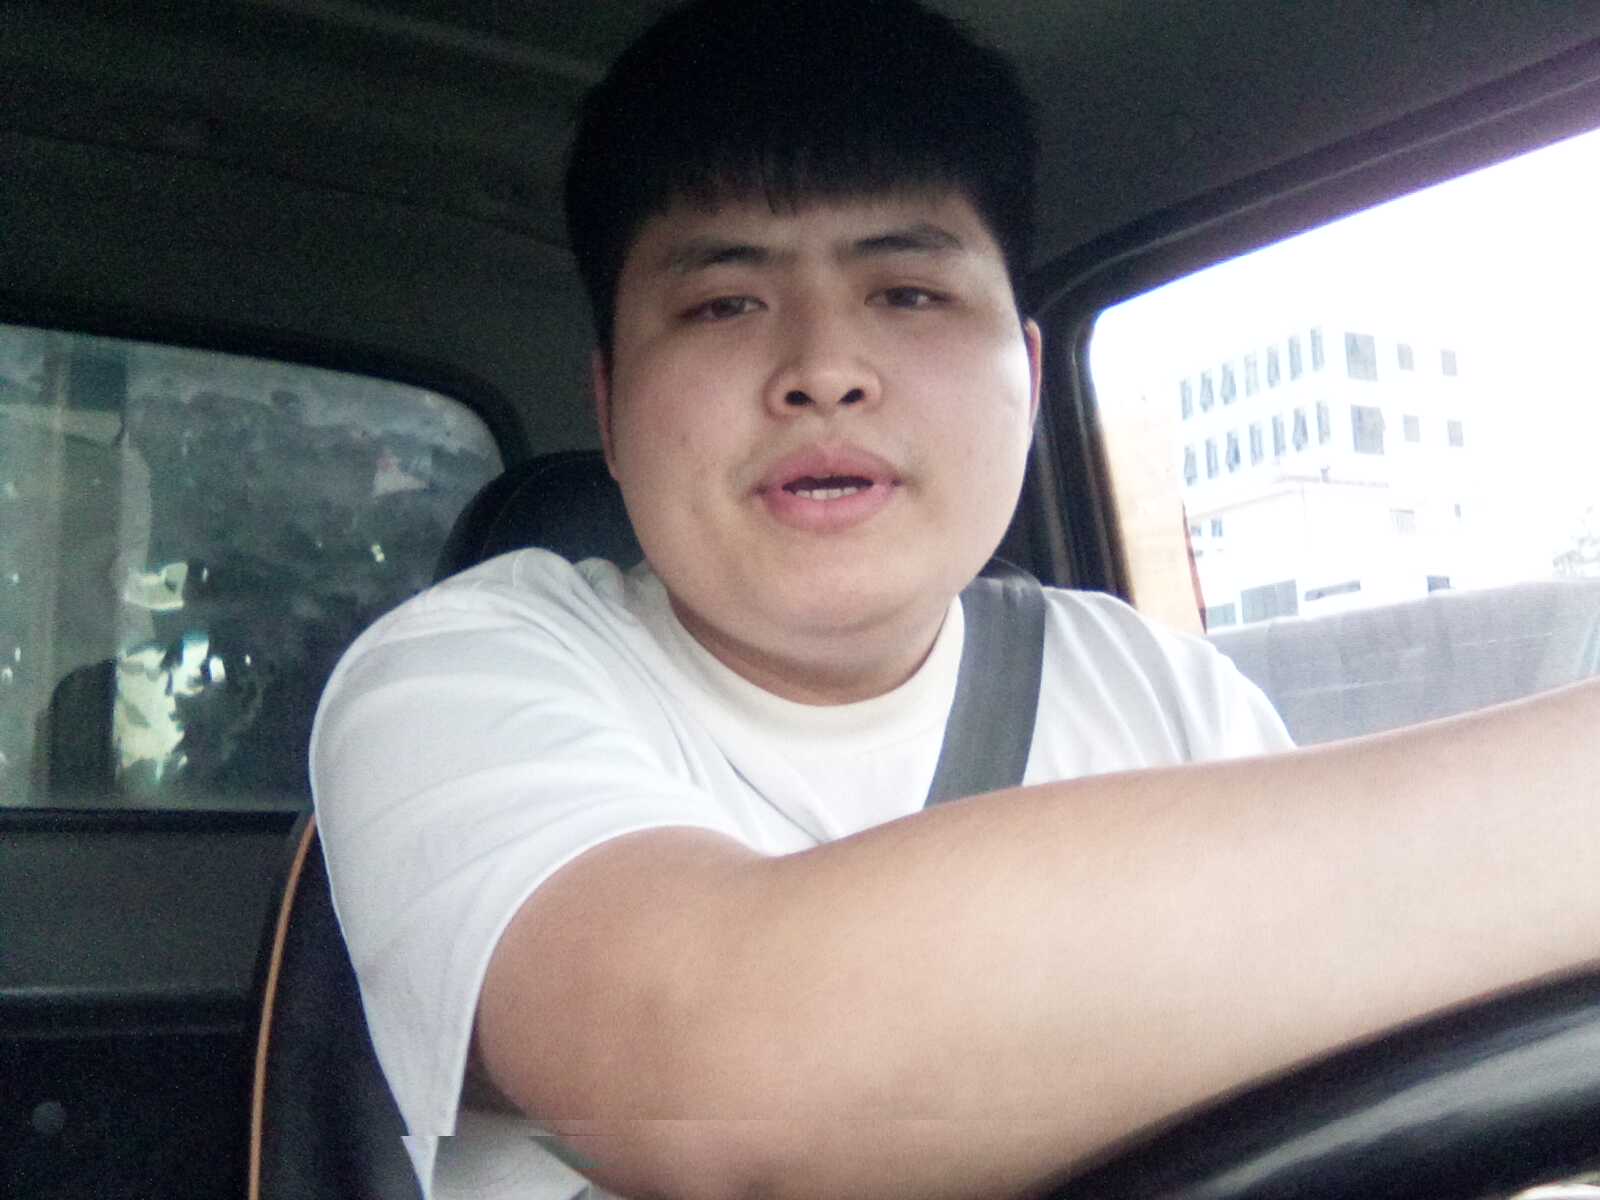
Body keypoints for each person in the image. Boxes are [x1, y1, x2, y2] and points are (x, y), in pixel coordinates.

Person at [310, 2, 1600, 1198]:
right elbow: (718, 1076)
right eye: (722, 302)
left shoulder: (1163, 692)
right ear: (608, 402)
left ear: (1028, 378)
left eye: (909, 292)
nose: (823, 368)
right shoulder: (459, 679)